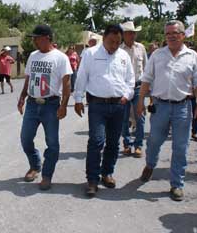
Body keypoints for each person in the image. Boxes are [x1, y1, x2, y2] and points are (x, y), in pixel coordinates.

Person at [136, 20, 197, 202]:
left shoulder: (193, 56)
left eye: (175, 33)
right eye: (168, 34)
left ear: (183, 35)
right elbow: (146, 79)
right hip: (160, 106)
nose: (172, 36)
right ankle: (150, 165)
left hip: (183, 106)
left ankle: (177, 184)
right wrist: (140, 101)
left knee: (181, 147)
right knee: (153, 142)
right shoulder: (157, 55)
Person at [74, 24, 135, 197]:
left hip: (118, 105)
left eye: (118, 42)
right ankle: (92, 180)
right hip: (97, 105)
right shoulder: (90, 53)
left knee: (113, 142)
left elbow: (130, 80)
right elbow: (82, 76)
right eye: (111, 41)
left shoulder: (123, 56)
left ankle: (107, 173)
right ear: (104, 37)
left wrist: (127, 95)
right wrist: (78, 99)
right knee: (96, 140)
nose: (114, 45)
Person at [17, 24, 72, 191]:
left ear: (47, 38)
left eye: (36, 37)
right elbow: (29, 78)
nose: (33, 41)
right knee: (25, 139)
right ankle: (35, 165)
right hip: (33, 104)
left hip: (51, 104)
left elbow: (67, 83)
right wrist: (22, 97)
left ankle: (47, 175)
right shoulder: (33, 56)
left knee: (52, 143)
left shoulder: (60, 58)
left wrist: (63, 105)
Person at [120, 21, 147, 158]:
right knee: (124, 118)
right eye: (129, 32)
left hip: (138, 87)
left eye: (133, 32)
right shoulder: (118, 49)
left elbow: (147, 69)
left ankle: (138, 145)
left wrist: (148, 90)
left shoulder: (141, 48)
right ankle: (126, 144)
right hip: (123, 88)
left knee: (140, 117)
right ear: (123, 35)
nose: (132, 35)